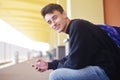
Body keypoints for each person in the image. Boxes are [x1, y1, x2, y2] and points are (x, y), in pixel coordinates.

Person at [32, 3, 120, 80]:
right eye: (49, 22)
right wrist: (49, 65)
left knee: (56, 76)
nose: (53, 24)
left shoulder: (77, 26)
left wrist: (59, 67)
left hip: (107, 71)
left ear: (64, 14)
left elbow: (75, 62)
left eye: (55, 18)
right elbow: (72, 56)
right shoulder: (75, 27)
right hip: (103, 68)